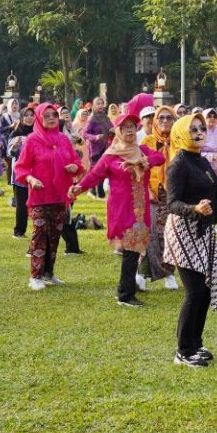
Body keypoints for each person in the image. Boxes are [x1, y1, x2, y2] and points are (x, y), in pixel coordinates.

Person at [71, 94, 162, 307]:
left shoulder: (141, 150)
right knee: (130, 250)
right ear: (118, 131)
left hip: (140, 207)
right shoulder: (111, 155)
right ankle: (125, 294)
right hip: (122, 208)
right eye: (126, 127)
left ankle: (127, 290)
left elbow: (161, 158)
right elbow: (94, 174)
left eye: (133, 127)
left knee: (135, 250)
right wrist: (79, 187)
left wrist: (143, 161)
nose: (130, 131)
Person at [162, 113, 217, 366]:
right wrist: (194, 209)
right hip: (183, 230)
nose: (199, 133)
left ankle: (196, 343)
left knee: (204, 290)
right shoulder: (179, 164)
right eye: (192, 129)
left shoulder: (201, 161)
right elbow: (171, 203)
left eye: (201, 128)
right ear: (181, 133)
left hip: (203, 230)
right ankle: (183, 351)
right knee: (194, 292)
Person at [14, 104, 83, 290]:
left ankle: (48, 273)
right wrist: (30, 178)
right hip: (39, 195)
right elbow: (20, 167)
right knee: (39, 235)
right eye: (47, 116)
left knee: (54, 236)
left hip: (60, 195)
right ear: (39, 118)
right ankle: (35, 276)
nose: (52, 118)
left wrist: (75, 167)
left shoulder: (63, 139)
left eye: (54, 115)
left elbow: (75, 160)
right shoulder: (32, 140)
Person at [143, 106, 179, 291]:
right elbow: (141, 169)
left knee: (171, 236)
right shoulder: (148, 141)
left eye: (169, 118)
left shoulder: (179, 141)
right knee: (152, 235)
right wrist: (147, 190)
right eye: (161, 118)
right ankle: (146, 273)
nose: (165, 121)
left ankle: (168, 273)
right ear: (155, 121)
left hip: (174, 194)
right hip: (153, 193)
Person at [7, 105, 36, 239]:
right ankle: (19, 231)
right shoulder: (16, 133)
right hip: (20, 174)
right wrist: (16, 145)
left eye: (32, 115)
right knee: (22, 204)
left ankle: (39, 228)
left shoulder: (38, 132)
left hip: (37, 173)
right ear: (21, 117)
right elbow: (10, 153)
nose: (29, 118)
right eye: (26, 115)